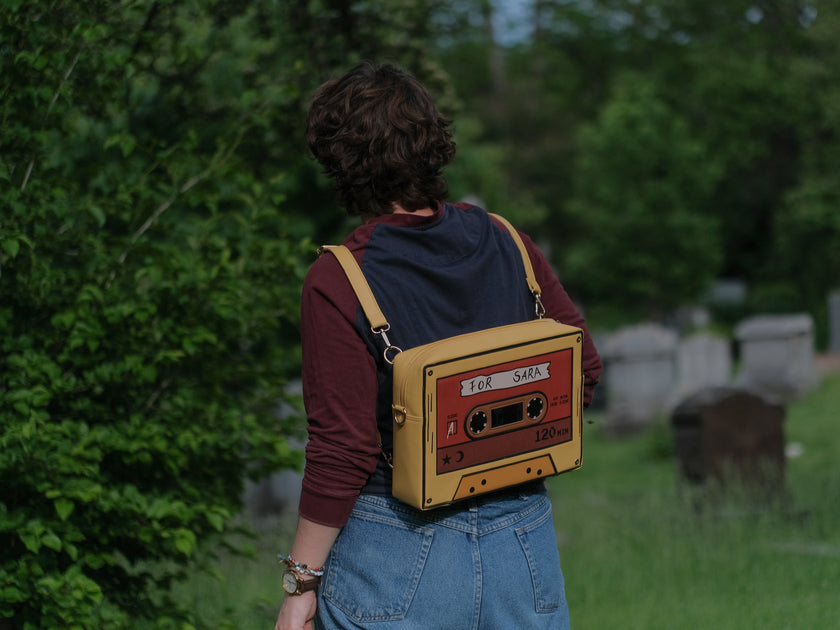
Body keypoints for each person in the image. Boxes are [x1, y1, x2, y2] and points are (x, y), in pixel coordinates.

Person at [274, 61, 602, 630]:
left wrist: (301, 584)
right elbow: (584, 368)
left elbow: (343, 449)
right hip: (522, 543)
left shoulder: (338, 279)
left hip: (395, 551)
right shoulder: (508, 241)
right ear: (433, 142)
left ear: (339, 163)